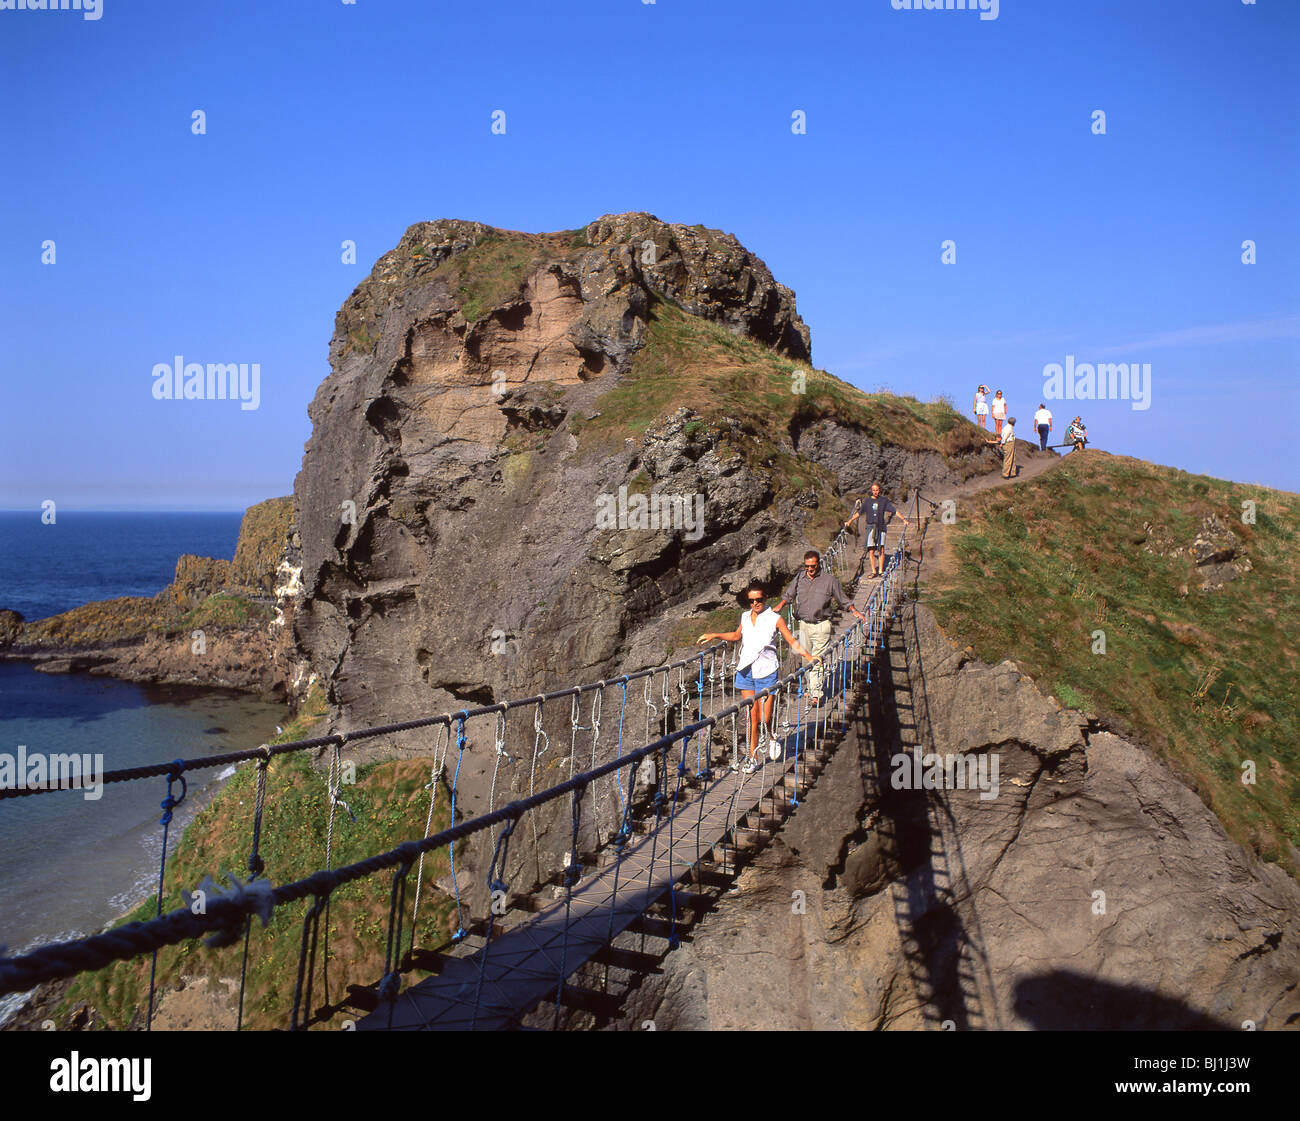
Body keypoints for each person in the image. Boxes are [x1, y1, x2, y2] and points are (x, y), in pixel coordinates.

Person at [698, 581, 819, 774]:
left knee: (765, 717)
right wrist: (714, 635)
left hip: (767, 671)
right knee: (752, 717)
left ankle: (771, 737)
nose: (755, 603)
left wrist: (809, 657)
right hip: (746, 671)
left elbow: (791, 641)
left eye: (759, 599)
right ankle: (752, 758)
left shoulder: (775, 618)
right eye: (752, 600)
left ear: (765, 598)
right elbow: (737, 636)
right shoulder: (745, 616)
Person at [773, 549, 864, 703]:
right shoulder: (800, 577)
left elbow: (842, 599)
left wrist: (854, 611)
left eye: (813, 566)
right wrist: (779, 606)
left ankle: (816, 694)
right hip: (803, 625)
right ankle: (811, 687)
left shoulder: (829, 580)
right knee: (805, 658)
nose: (810, 569)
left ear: (819, 564)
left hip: (821, 624)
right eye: (807, 566)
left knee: (817, 658)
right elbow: (789, 594)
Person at [844, 483, 909, 581]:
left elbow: (894, 511)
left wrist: (903, 519)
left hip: (881, 527)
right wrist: (850, 521)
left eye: (877, 490)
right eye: (874, 490)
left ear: (880, 490)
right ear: (871, 490)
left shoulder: (884, 501)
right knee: (871, 550)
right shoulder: (867, 501)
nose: (875, 492)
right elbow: (859, 513)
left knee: (881, 549)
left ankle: (881, 571)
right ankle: (874, 571)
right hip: (870, 527)